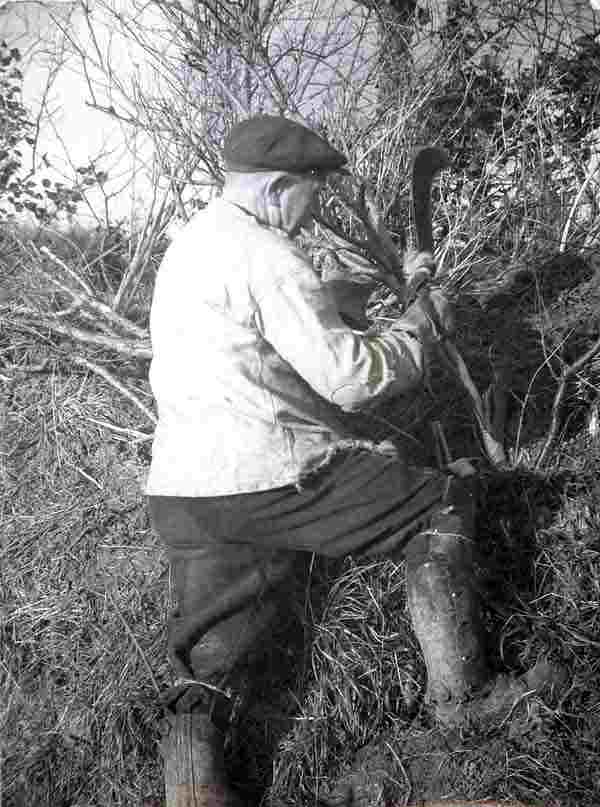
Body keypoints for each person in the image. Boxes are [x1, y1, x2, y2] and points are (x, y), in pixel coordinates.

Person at [146, 115, 494, 804]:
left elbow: (278, 317)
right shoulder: (270, 255)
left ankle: (194, 796)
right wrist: (419, 331)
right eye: (314, 192)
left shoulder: (195, 243)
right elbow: (350, 378)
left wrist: (380, 293)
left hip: (185, 492)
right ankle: (466, 697)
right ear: (279, 187)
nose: (317, 207)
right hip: (271, 476)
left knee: (213, 656)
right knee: (440, 499)